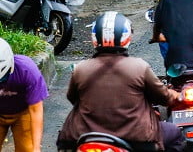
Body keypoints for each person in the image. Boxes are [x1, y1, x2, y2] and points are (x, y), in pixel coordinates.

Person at [57, 12, 184, 152]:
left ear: (95, 38)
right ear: (126, 37)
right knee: (174, 133)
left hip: (85, 136)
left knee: (63, 143)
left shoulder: (81, 69)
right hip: (136, 139)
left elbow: (73, 98)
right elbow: (163, 97)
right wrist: (175, 95)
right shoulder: (139, 67)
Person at [0, 38, 47, 152]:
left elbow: (36, 110)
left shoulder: (27, 70)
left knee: (27, 149)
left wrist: (36, 148)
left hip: (23, 113)